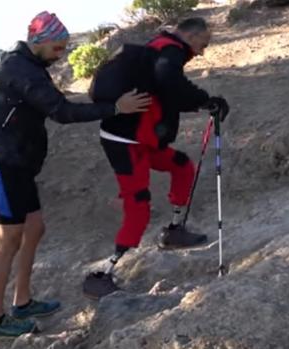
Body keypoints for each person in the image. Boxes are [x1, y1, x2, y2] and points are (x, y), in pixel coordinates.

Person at [0, 11, 151, 337]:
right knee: (8, 240)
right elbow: (61, 112)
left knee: (34, 228)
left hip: (20, 166)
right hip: (1, 166)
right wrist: (115, 108)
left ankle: (23, 301)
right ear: (40, 42)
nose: (62, 55)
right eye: (58, 48)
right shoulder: (21, 69)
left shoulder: (26, 66)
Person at [88, 17, 230, 296]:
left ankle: (174, 232)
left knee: (181, 166)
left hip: (144, 138)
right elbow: (169, 81)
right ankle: (103, 273)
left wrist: (201, 103)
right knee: (138, 204)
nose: (203, 51)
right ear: (191, 36)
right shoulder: (171, 50)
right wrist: (205, 99)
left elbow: (165, 91)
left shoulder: (159, 47)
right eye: (203, 44)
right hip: (125, 142)